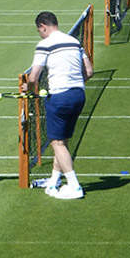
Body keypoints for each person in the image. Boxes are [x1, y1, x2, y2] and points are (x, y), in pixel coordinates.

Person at [28, 11, 94, 200]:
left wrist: (31, 91)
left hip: (60, 97)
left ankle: (74, 186)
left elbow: (33, 77)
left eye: (39, 30)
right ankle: (54, 181)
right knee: (62, 142)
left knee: (56, 143)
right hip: (79, 94)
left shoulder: (44, 44)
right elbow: (89, 71)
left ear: (43, 26)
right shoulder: (74, 41)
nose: (40, 34)